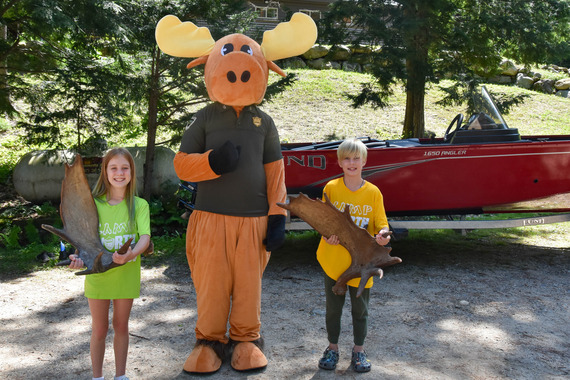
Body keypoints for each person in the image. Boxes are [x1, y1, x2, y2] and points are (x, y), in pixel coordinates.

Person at [69, 148, 151, 380]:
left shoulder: (140, 205)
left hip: (126, 273)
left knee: (121, 325)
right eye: (113, 168)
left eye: (125, 168)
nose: (119, 173)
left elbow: (145, 237)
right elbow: (83, 240)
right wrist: (78, 258)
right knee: (99, 329)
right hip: (98, 275)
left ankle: (120, 376)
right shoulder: (93, 204)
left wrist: (131, 253)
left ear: (132, 173)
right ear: (105, 172)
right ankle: (97, 377)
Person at [316, 138, 391, 373]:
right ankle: (332, 348)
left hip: (362, 264)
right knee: (333, 309)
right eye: (347, 158)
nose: (351, 162)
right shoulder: (331, 188)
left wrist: (383, 236)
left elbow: (382, 225)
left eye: (356, 158)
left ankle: (359, 350)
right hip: (334, 261)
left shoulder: (373, 193)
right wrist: (327, 235)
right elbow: (323, 221)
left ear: (364, 161)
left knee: (361, 310)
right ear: (339, 162)